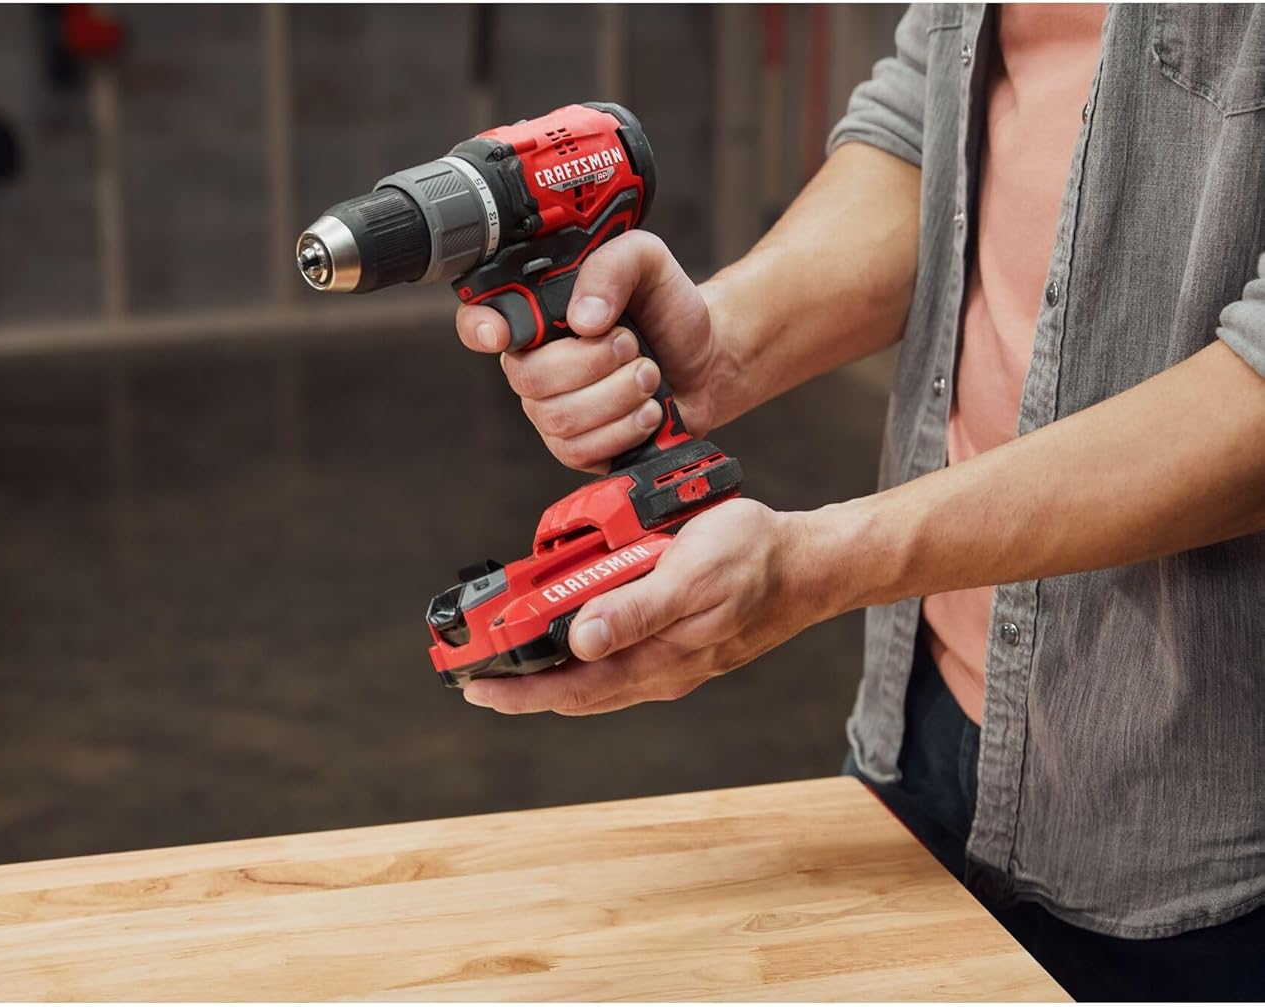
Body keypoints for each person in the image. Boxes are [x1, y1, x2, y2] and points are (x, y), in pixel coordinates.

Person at [452, 4, 1265, 1000]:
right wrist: (719, 341)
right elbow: (926, 127)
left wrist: (820, 566)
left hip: (1197, 822)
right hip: (920, 727)